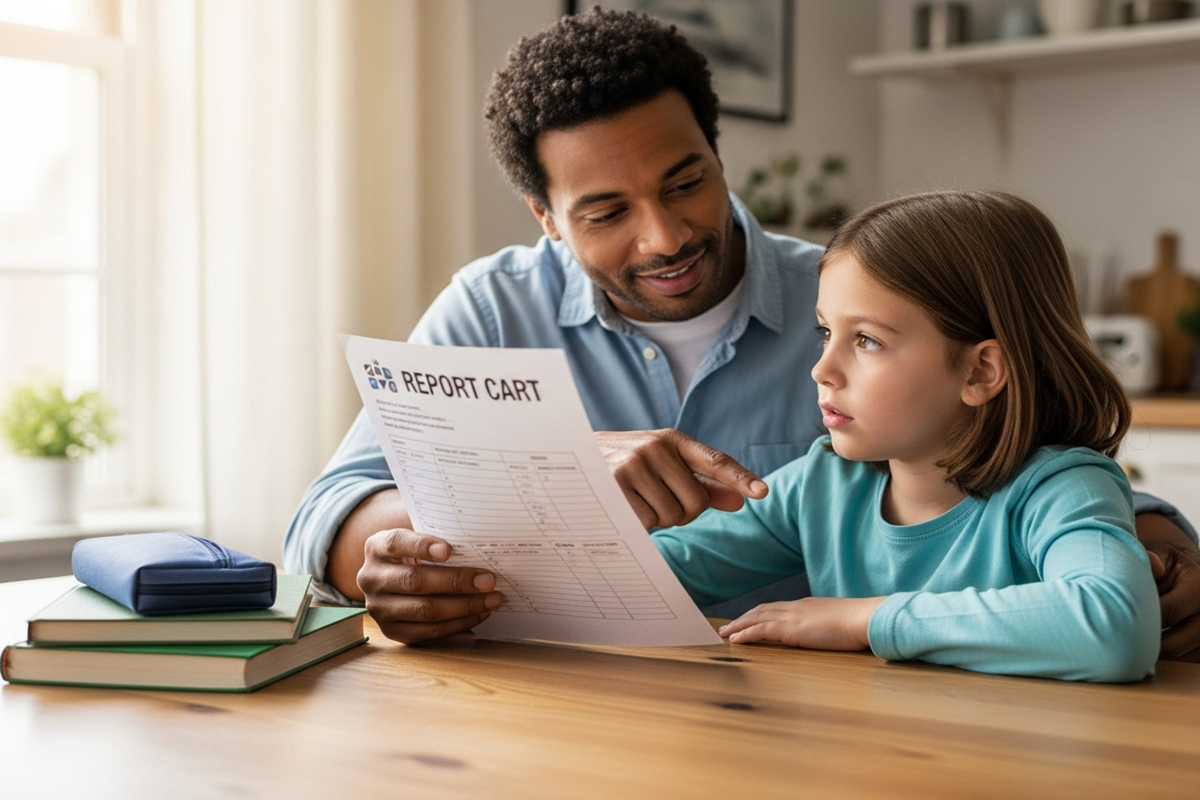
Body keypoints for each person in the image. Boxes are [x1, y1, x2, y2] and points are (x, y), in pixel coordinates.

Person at [283, 8, 1200, 656]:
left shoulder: (846, 283)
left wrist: (1157, 549)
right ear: (545, 215)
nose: (667, 235)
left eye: (686, 182)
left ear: (721, 155)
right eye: (606, 210)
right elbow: (334, 514)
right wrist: (475, 556)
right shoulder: (490, 313)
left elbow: (1076, 510)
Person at [654, 190, 1158, 681]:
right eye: (825, 333)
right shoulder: (824, 484)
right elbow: (652, 577)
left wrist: (866, 620)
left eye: (867, 340)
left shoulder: (1060, 489)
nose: (821, 370)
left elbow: (1116, 625)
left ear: (981, 372)